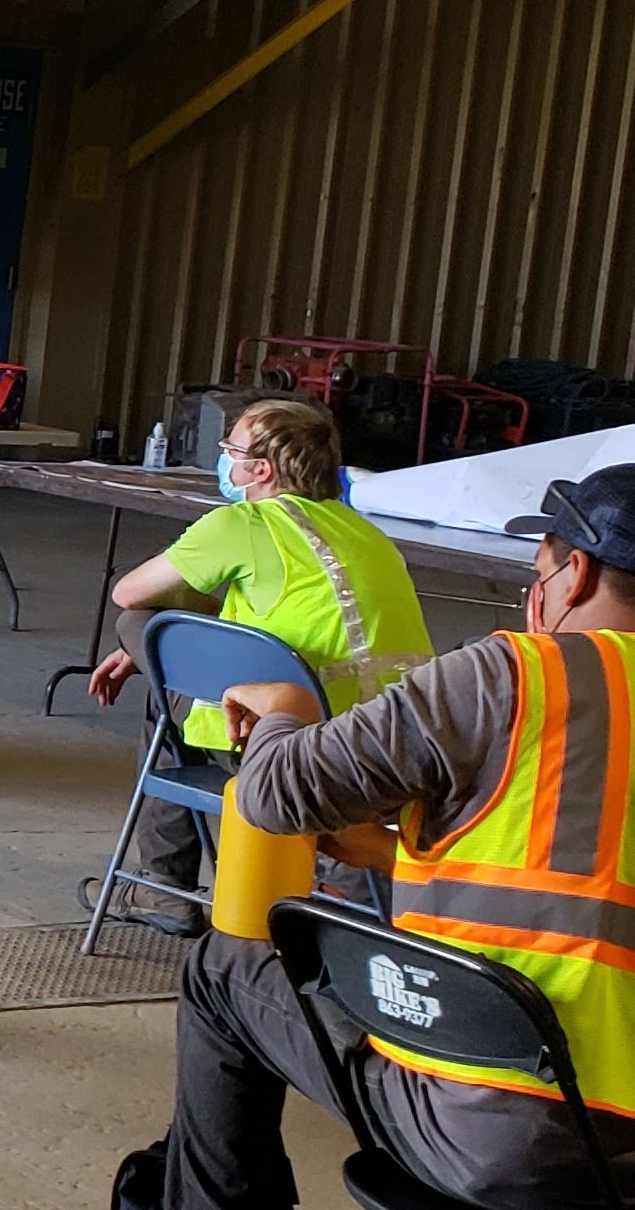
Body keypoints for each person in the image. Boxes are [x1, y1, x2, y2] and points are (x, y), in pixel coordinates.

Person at [59, 464, 635, 1210]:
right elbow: (609, 903)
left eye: (541, 563)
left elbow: (277, 798)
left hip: (492, 1143)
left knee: (227, 973)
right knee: (571, 1038)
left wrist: (277, 715)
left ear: (567, 573)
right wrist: (400, 850)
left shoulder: (513, 674)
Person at [82, 398, 429, 934]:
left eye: (230, 450)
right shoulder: (367, 531)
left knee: (146, 632)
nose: (225, 460)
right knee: (167, 662)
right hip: (388, 744)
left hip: (285, 746)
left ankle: (166, 891)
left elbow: (130, 593)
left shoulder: (241, 523)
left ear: (260, 469)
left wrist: (145, 650)